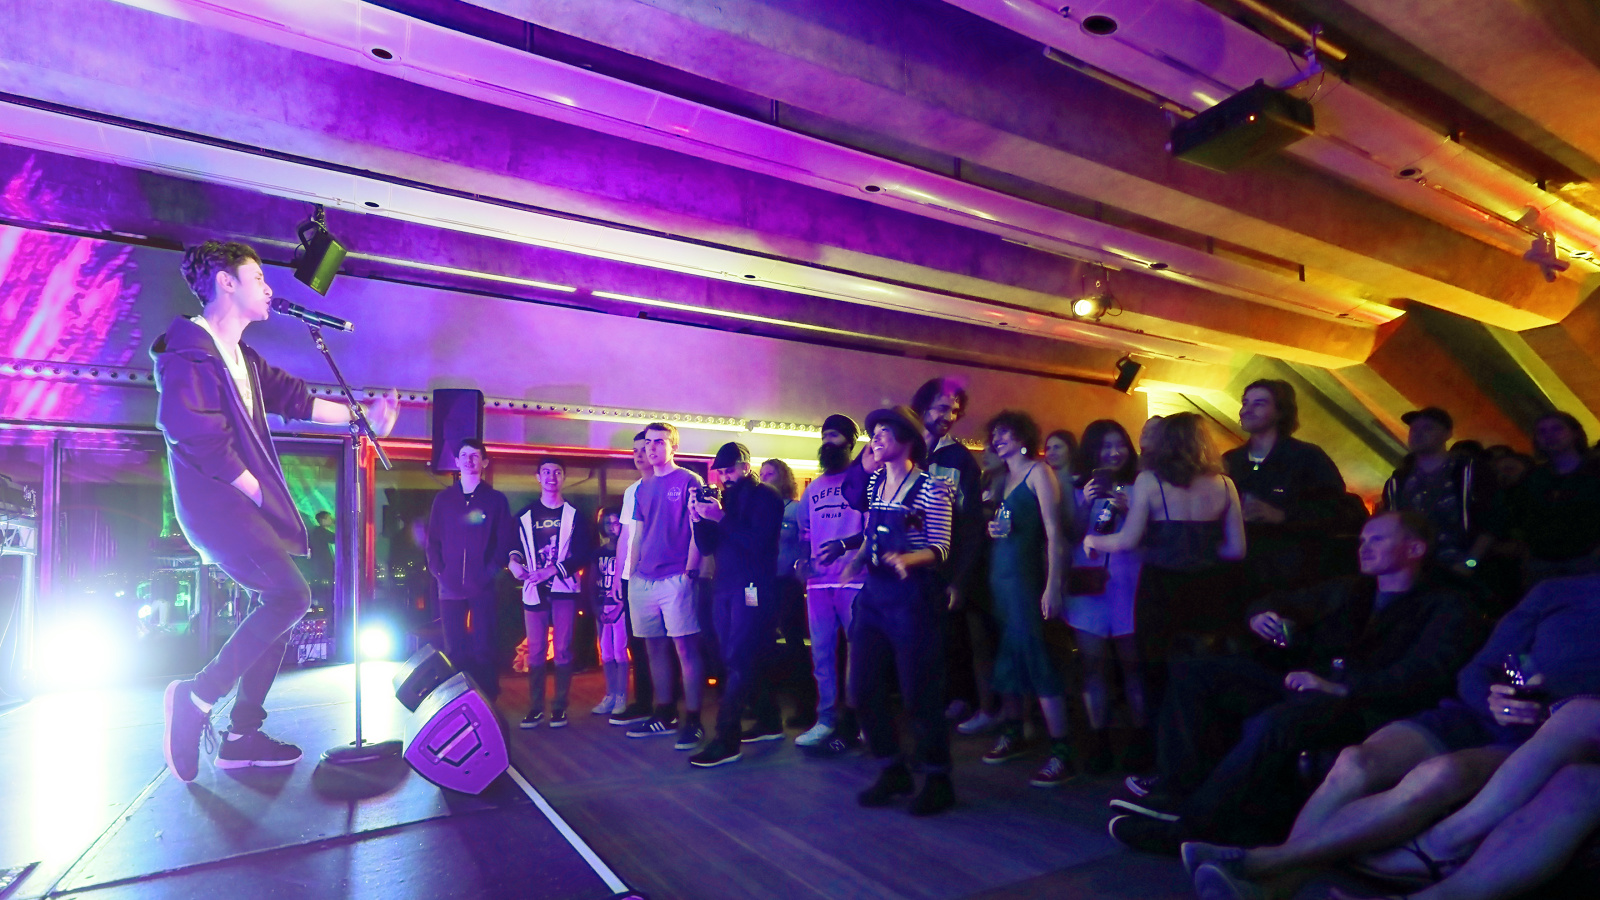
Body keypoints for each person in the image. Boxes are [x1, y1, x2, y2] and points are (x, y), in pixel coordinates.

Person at [1179, 572, 1600, 900]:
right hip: (1477, 714)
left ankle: (1267, 867)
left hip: (1544, 739)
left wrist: (1544, 712)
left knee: (1438, 774)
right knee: (1356, 762)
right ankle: (1277, 884)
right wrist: (1496, 696)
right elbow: (1488, 663)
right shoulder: (1559, 592)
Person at [156, 240, 398, 781]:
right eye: (258, 277)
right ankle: (196, 698)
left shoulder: (242, 357)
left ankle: (241, 735)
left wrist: (363, 421)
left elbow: (298, 399)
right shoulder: (188, 349)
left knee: (279, 606)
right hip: (216, 504)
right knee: (290, 595)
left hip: (239, 504)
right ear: (226, 282)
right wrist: (255, 489)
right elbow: (190, 429)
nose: (268, 288)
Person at [1105, 512, 1486, 854]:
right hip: (1311, 685)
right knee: (1197, 669)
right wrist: (1261, 616)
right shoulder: (1353, 589)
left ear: (1415, 548)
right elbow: (1282, 601)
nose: (1364, 548)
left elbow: (1426, 672)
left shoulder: (1447, 605)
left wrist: (1342, 687)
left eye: (1378, 539)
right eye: (1362, 541)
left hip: (1365, 703)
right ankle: (1177, 793)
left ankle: (1194, 829)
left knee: (1280, 720)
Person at [1086, 412, 1246, 716]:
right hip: (1207, 590)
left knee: (1156, 673)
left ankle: (1159, 750)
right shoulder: (1226, 485)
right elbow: (1237, 549)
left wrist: (1093, 541)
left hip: (1159, 589)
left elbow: (1127, 540)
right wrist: (1199, 551)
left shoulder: (1149, 481)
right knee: (1201, 672)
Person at [842, 406, 957, 816]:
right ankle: (892, 769)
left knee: (918, 691)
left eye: (885, 432)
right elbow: (871, 530)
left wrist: (909, 560)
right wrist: (856, 559)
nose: (876, 438)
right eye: (873, 432)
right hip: (874, 595)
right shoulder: (874, 481)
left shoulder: (933, 487)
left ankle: (938, 777)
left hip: (912, 597)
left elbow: (942, 546)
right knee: (863, 687)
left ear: (908, 439)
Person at [978, 410, 1073, 787]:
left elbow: (1054, 534)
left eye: (1005, 434)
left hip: (1025, 578)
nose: (997, 440)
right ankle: (1015, 732)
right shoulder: (1002, 477)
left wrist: (1053, 586)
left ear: (1022, 438)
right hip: (1000, 577)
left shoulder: (1038, 472)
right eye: (994, 435)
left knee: (1035, 657)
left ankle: (1062, 750)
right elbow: (1002, 527)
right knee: (1009, 656)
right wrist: (991, 528)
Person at [688, 443, 787, 767]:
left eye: (730, 469)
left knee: (738, 657)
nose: (725, 477)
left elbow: (758, 543)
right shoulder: (725, 498)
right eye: (721, 471)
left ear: (745, 466)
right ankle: (769, 720)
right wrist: (699, 520)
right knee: (741, 654)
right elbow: (708, 547)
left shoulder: (767, 497)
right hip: (726, 585)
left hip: (752, 585)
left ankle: (726, 738)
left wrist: (720, 516)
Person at [1065, 420, 1147, 774]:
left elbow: (1154, 536)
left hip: (1131, 585)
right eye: (1105, 446)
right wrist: (1084, 502)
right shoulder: (1075, 488)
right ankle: (1098, 742)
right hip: (1088, 587)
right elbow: (1064, 534)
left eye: (1120, 445)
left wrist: (1131, 509)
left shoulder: (1141, 487)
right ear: (1092, 451)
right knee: (1093, 666)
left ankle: (1141, 743)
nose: (1114, 452)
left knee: (1134, 668)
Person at [623, 422, 708, 750]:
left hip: (677, 578)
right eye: (648, 443)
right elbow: (637, 535)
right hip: (644, 580)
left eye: (659, 442)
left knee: (686, 649)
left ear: (673, 446)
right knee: (654, 648)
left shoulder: (689, 480)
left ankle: (694, 719)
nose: (651, 448)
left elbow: (697, 528)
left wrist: (690, 571)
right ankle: (665, 712)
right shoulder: (642, 488)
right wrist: (630, 576)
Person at [911, 377, 988, 729]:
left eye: (955, 410)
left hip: (943, 567)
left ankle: (957, 700)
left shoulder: (961, 460)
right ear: (924, 406)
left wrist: (960, 579)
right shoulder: (903, 451)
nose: (949, 415)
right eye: (943, 407)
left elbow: (971, 526)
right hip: (904, 567)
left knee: (949, 640)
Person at [1222, 380, 1347, 598]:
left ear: (1281, 412)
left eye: (1259, 403)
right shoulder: (1230, 461)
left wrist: (1282, 515)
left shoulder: (1307, 457)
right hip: (1239, 575)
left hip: (1290, 579)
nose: (1247, 410)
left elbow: (1340, 511)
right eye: (1245, 403)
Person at [796, 414, 867, 753]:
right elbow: (805, 534)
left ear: (851, 442)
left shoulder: (865, 480)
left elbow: (871, 531)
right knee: (822, 654)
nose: (827, 441)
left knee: (861, 652)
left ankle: (863, 719)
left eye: (835, 435)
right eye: (824, 435)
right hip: (819, 585)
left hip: (856, 580)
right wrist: (802, 563)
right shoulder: (813, 488)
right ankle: (825, 719)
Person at [426, 438, 517, 701]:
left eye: (475, 455)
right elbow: (433, 540)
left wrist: (489, 572)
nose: (469, 460)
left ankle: (487, 699)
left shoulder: (496, 500)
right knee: (454, 647)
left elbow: (503, 540)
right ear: (457, 462)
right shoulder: (443, 499)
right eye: (464, 455)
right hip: (449, 586)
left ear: (484, 462)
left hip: (483, 586)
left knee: (484, 646)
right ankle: (457, 700)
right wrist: (439, 572)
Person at [510, 457, 594, 729]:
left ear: (564, 477)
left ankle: (559, 707)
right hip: (533, 589)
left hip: (564, 589)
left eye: (557, 472)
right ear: (538, 477)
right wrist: (513, 562)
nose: (551, 477)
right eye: (546, 472)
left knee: (562, 650)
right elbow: (512, 547)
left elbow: (583, 553)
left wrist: (553, 570)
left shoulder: (575, 515)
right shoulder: (524, 515)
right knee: (534, 651)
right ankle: (535, 708)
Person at [1378, 407, 1492, 574]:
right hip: (1412, 570)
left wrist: (1471, 562)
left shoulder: (1469, 471)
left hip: (1457, 569)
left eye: (1427, 428)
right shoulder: (1398, 480)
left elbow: (1492, 519)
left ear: (1447, 434)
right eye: (1414, 429)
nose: (1418, 433)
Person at [1501, 412, 1600, 588]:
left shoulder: (1595, 471)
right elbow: (1520, 516)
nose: (1549, 435)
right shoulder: (1533, 477)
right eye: (1542, 431)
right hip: (1542, 562)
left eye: (1557, 429)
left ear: (1575, 433)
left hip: (1588, 558)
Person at [761, 457, 817, 729]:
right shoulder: (758, 509)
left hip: (787, 584)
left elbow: (808, 543)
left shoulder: (795, 510)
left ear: (783, 478)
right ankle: (763, 705)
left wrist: (802, 571)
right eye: (762, 474)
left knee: (794, 644)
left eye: (769, 474)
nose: (763, 479)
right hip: (762, 584)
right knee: (761, 643)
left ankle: (806, 707)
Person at [608, 432, 657, 726]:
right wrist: (617, 576)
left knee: (660, 642)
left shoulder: (669, 484)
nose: (639, 455)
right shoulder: (631, 491)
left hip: (656, 573)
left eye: (644, 449)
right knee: (636, 642)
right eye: (635, 450)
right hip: (630, 576)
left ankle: (665, 704)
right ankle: (643, 701)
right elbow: (624, 536)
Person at [590, 506, 629, 715]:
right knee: (605, 651)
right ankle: (610, 694)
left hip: (620, 607)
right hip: (602, 605)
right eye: (608, 523)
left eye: (616, 523)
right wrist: (596, 609)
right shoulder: (598, 553)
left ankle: (621, 694)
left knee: (620, 650)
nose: (612, 527)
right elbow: (592, 582)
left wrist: (620, 608)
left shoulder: (627, 552)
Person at [308, 510, 335, 604]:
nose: (331, 520)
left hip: (321, 568)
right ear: (322, 520)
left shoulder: (318, 531)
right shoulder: (320, 532)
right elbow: (336, 538)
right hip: (323, 568)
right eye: (329, 518)